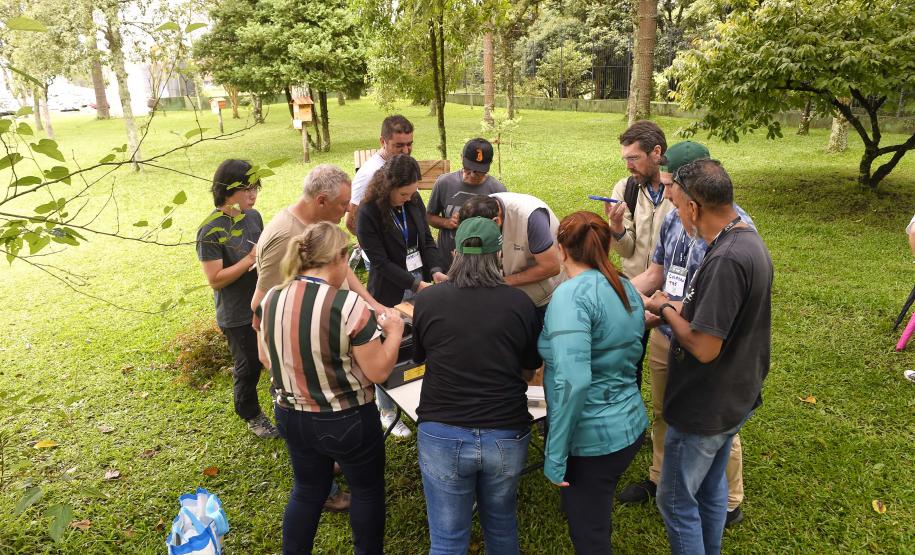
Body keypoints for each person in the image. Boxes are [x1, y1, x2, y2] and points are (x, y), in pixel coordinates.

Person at [618, 142, 754, 528]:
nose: (668, 196)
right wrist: (621, 294)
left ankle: (729, 500)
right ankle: (660, 476)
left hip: (705, 337)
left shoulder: (734, 234)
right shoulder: (675, 218)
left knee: (714, 422)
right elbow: (658, 270)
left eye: (672, 187)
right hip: (666, 332)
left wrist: (661, 308)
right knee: (664, 410)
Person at [644, 159, 773, 555]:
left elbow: (703, 346)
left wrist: (663, 309)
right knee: (710, 488)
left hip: (706, 405)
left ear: (694, 208)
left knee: (675, 500)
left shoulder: (726, 260)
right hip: (737, 393)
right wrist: (671, 303)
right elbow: (715, 315)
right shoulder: (745, 237)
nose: (677, 212)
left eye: (678, 204)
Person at [255, 221, 405, 555]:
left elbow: (266, 356)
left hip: (290, 414)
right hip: (346, 418)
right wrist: (393, 332)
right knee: (367, 490)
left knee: (307, 490)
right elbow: (379, 371)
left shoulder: (271, 299)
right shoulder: (347, 304)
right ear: (337, 258)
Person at [253, 163, 383, 511]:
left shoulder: (318, 228)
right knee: (312, 433)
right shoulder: (286, 236)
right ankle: (324, 489)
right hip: (299, 360)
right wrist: (272, 362)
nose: (346, 213)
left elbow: (343, 276)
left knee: (316, 432)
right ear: (322, 200)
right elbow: (259, 306)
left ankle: (328, 459)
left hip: (322, 343)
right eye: (343, 206)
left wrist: (373, 305)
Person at [412, 217, 542, 555]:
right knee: (501, 527)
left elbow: (419, 358)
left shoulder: (427, 301)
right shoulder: (521, 305)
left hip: (442, 431)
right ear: (498, 256)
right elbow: (530, 372)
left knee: (446, 540)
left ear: (455, 253)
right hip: (506, 431)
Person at [538, 211, 648, 554]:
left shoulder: (570, 297)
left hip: (593, 442)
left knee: (590, 536)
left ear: (562, 249)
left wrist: (555, 455)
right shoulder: (624, 286)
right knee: (594, 511)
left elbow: (574, 382)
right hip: (630, 424)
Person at [357, 154, 447, 438]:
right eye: (404, 193)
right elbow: (380, 263)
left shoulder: (414, 200)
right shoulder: (368, 211)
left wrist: (434, 270)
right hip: (389, 289)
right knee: (391, 348)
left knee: (422, 339)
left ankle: (422, 394)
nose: (409, 198)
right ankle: (387, 411)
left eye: (413, 193)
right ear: (388, 187)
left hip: (420, 280)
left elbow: (427, 241)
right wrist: (415, 284)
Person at [195, 159, 277, 439]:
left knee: (273, 357)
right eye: (247, 189)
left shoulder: (253, 217)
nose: (253, 195)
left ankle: (281, 401)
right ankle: (251, 414)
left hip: (264, 303)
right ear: (227, 191)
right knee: (249, 365)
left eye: (256, 188)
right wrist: (249, 259)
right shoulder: (210, 231)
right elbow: (215, 279)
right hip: (236, 313)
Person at [458, 192, 562, 320]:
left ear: (496, 221)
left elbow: (551, 267)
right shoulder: (475, 214)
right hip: (509, 297)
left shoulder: (530, 217)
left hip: (545, 297)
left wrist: (503, 282)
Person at [605, 120, 674, 278]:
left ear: (656, 152)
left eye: (634, 158)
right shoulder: (624, 189)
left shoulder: (679, 193)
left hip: (667, 293)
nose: (628, 166)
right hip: (634, 285)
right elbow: (626, 251)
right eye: (626, 159)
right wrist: (616, 226)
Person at [426, 138, 506, 269]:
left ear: (490, 164)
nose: (473, 175)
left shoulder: (497, 190)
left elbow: (502, 230)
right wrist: (447, 222)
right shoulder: (444, 183)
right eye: (468, 169)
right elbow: (429, 216)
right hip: (448, 261)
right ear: (461, 157)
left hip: (481, 264)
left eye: (479, 171)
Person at [345, 114, 415, 235]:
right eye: (399, 145)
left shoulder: (403, 163)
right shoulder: (369, 174)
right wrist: (371, 243)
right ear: (383, 141)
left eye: (409, 144)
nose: (405, 151)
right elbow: (351, 221)